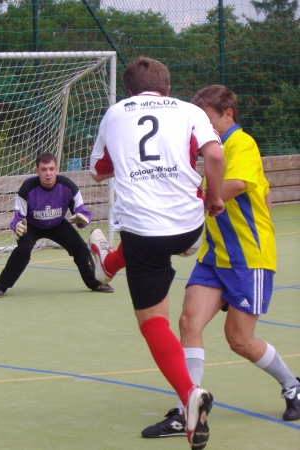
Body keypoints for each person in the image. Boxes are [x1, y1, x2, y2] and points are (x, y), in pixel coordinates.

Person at [141, 85, 300, 439]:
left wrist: (184, 208)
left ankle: (293, 386)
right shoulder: (212, 153)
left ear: (228, 114)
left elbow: (237, 185)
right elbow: (261, 192)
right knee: (188, 322)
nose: (204, 126)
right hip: (214, 257)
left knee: (239, 340)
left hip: (248, 259)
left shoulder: (241, 143)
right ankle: (186, 410)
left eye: (209, 119)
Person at [89, 56, 225, 450]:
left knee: (153, 322)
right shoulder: (189, 110)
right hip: (188, 225)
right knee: (164, 239)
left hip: (144, 231)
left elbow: (98, 171)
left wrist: (127, 161)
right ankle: (109, 265)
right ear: (166, 87)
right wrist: (214, 197)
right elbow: (215, 157)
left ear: (129, 90)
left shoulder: (116, 113)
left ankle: (189, 393)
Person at [0, 152, 114, 298]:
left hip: (57, 223)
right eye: (44, 169)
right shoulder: (27, 188)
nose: (48, 173)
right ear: (37, 171)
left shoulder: (69, 187)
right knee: (23, 250)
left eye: (51, 169)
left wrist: (82, 219)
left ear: (57, 169)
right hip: (32, 225)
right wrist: (17, 225)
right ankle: (1, 286)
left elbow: (82, 212)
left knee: (80, 247)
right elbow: (18, 217)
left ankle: (95, 283)